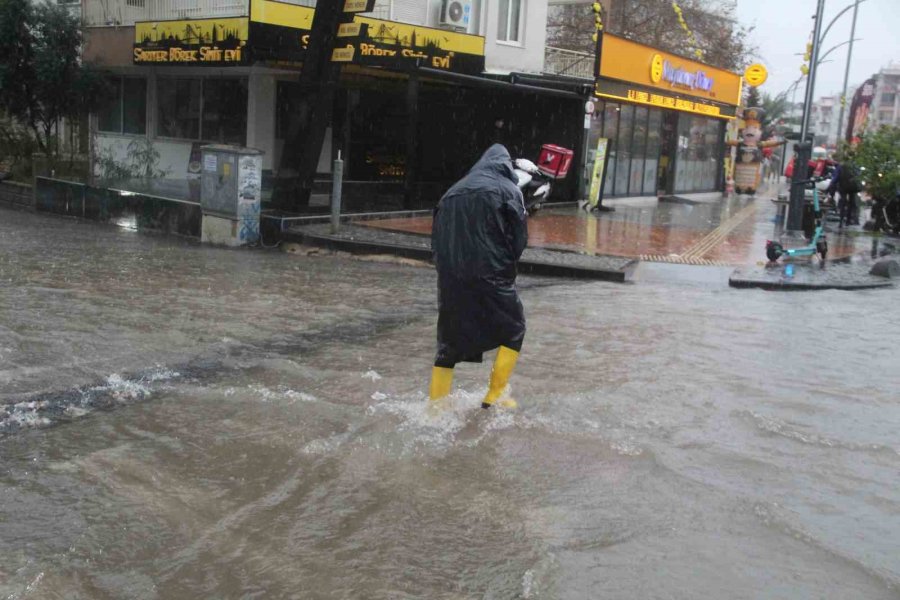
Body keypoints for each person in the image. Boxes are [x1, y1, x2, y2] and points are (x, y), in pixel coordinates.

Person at [429, 144, 528, 409]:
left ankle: (436, 405)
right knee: (513, 328)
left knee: (448, 343)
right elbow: (519, 239)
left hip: (451, 276)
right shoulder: (509, 190)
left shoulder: (451, 192)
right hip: (492, 273)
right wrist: (506, 267)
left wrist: (446, 269)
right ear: (506, 165)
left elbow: (435, 238)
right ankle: (495, 394)